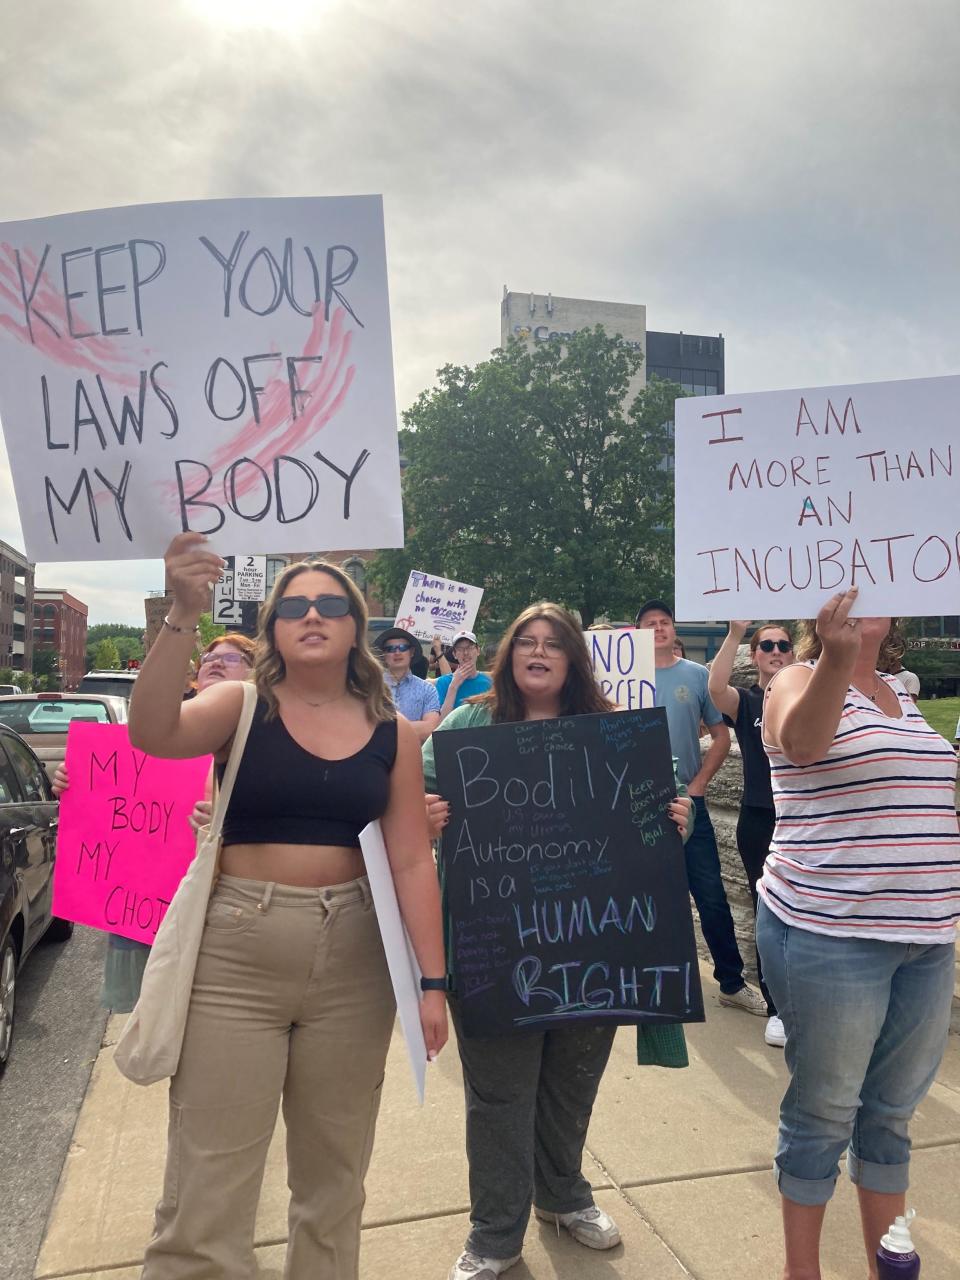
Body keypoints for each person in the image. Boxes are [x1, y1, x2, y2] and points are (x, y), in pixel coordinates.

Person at [129, 533, 447, 1280]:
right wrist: (182, 611)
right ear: (272, 625)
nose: (312, 615)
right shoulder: (239, 705)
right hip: (235, 955)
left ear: (356, 624)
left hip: (357, 961)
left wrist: (433, 983)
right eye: (294, 605)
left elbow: (408, 857)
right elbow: (153, 732)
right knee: (209, 1179)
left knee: (335, 1178)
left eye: (330, 604)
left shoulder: (394, 734)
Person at [422, 602, 693, 1280]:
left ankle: (564, 1197)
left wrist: (672, 819)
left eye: (553, 645)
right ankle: (494, 1235)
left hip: (595, 945)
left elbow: (649, 826)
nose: (538, 653)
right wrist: (425, 815)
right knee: (500, 1097)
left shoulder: (609, 732)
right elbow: (413, 804)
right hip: (492, 946)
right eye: (526, 643)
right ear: (509, 655)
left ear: (573, 661)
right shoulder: (468, 724)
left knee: (572, 1085)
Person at [758, 588, 959, 1280]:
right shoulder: (795, 679)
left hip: (927, 938)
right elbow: (804, 745)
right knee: (824, 1111)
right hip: (830, 933)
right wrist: (835, 660)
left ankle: (890, 1264)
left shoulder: (904, 696)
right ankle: (802, 1273)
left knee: (891, 1116)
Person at [52, 631, 257, 1013]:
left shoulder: (265, 736)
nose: (214, 661)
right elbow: (111, 799)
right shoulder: (163, 728)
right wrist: (74, 782)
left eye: (231, 658)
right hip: (150, 904)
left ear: (255, 675)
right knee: (156, 1018)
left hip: (228, 910)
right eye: (209, 657)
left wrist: (229, 818)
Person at [635, 600, 766, 1015]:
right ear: (637, 631)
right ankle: (641, 979)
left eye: (664, 622)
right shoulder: (618, 679)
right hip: (632, 805)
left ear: (674, 630)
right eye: (649, 624)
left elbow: (722, 737)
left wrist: (697, 786)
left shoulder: (695, 676)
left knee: (709, 895)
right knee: (639, 896)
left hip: (686, 804)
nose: (658, 628)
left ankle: (731, 981)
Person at [707, 621, 795, 1048]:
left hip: (804, 819)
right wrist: (735, 634)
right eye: (767, 645)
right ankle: (777, 1008)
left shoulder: (808, 696)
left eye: (783, 644)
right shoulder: (747, 701)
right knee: (767, 913)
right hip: (760, 819)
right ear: (756, 655)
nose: (776, 650)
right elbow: (715, 686)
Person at [375, 626, 441, 742]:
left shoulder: (427, 689)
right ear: (384, 654)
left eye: (403, 647)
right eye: (390, 649)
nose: (397, 652)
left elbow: (430, 729)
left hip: (415, 758)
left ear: (412, 652)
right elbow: (361, 728)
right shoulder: (369, 687)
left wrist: (383, 730)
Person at [435, 629, 492, 721]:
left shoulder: (489, 682)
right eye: (460, 649)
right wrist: (453, 687)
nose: (465, 653)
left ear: (478, 650)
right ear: (454, 654)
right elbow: (441, 724)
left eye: (470, 647)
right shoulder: (444, 682)